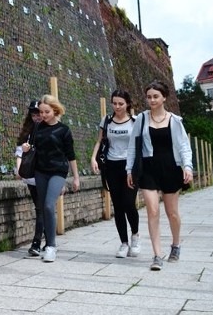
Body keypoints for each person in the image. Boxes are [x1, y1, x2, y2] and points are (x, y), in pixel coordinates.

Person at [126, 80, 193, 271]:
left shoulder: (175, 121)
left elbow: (184, 147)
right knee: (152, 211)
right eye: (149, 97)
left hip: (171, 167)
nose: (152, 100)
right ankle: (157, 255)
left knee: (172, 213)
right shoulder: (141, 119)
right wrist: (129, 170)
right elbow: (133, 146)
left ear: (164, 98)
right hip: (148, 169)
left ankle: (176, 244)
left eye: (156, 96)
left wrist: (187, 167)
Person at [21, 94, 80, 263]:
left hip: (58, 171)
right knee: (43, 206)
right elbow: (31, 146)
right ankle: (47, 245)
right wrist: (26, 147)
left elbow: (71, 155)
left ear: (55, 110)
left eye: (46, 112)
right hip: (40, 171)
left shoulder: (64, 130)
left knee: (48, 205)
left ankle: (51, 246)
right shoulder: (37, 127)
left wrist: (76, 177)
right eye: (41, 112)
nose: (43, 115)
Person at [90, 89, 141, 259]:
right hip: (111, 165)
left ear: (127, 104)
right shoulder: (106, 121)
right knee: (117, 206)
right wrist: (93, 158)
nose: (117, 107)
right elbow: (100, 141)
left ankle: (135, 235)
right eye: (115, 103)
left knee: (129, 203)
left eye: (121, 103)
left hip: (130, 166)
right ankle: (123, 243)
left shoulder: (135, 121)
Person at [15, 100, 45, 256]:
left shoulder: (50, 129)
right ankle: (46, 235)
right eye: (34, 114)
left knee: (41, 208)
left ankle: (36, 242)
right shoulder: (27, 132)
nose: (37, 117)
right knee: (40, 207)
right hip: (31, 175)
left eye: (39, 113)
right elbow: (20, 152)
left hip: (45, 174)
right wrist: (19, 169)